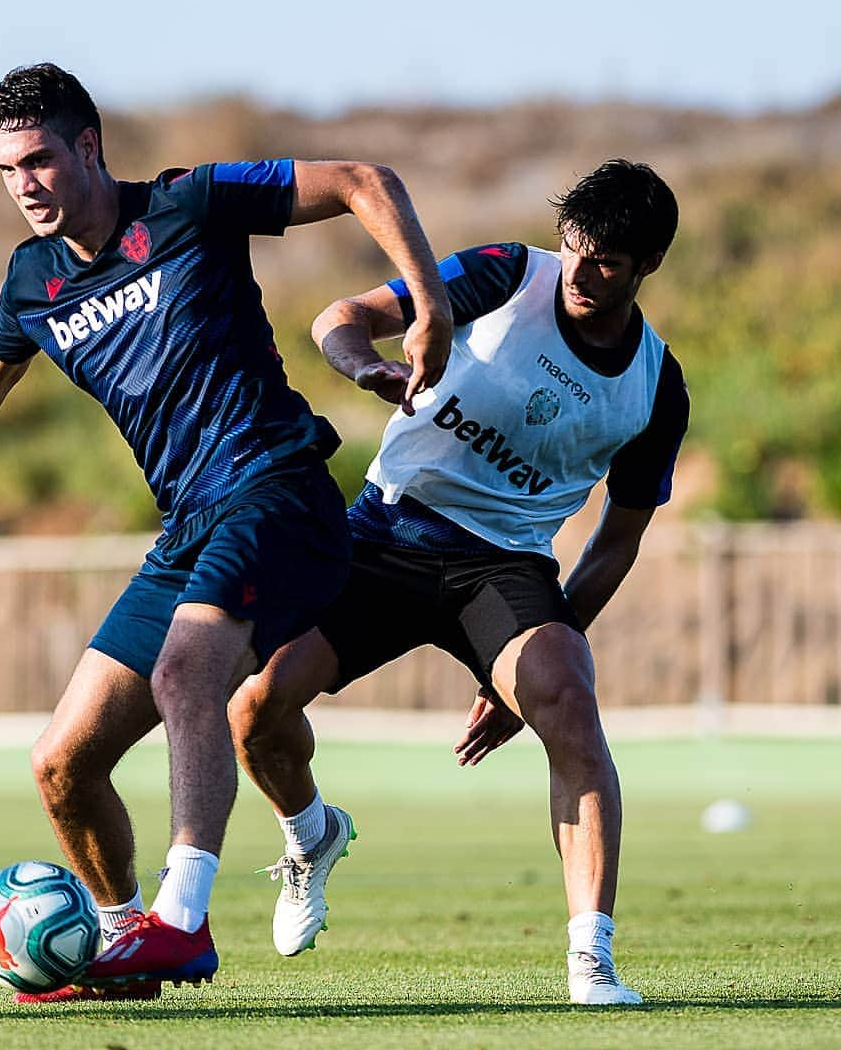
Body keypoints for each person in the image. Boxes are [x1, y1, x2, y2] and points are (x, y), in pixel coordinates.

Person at [0, 63, 452, 1003]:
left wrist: (430, 303)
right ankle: (126, 940)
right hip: (188, 527)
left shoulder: (190, 205)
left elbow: (363, 181)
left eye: (40, 160)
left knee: (187, 671)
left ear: (88, 146)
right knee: (62, 763)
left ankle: (180, 925)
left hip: (278, 491)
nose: (25, 185)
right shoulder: (32, 280)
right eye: (8, 170)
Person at [229, 159, 689, 1006]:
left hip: (502, 566)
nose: (581, 274)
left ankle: (592, 961)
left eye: (607, 263)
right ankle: (309, 838)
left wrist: (537, 665)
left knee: (571, 704)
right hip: (384, 531)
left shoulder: (655, 388)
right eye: (575, 250)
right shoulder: (505, 274)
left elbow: (619, 540)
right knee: (254, 708)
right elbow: (342, 320)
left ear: (647, 266)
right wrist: (364, 369)